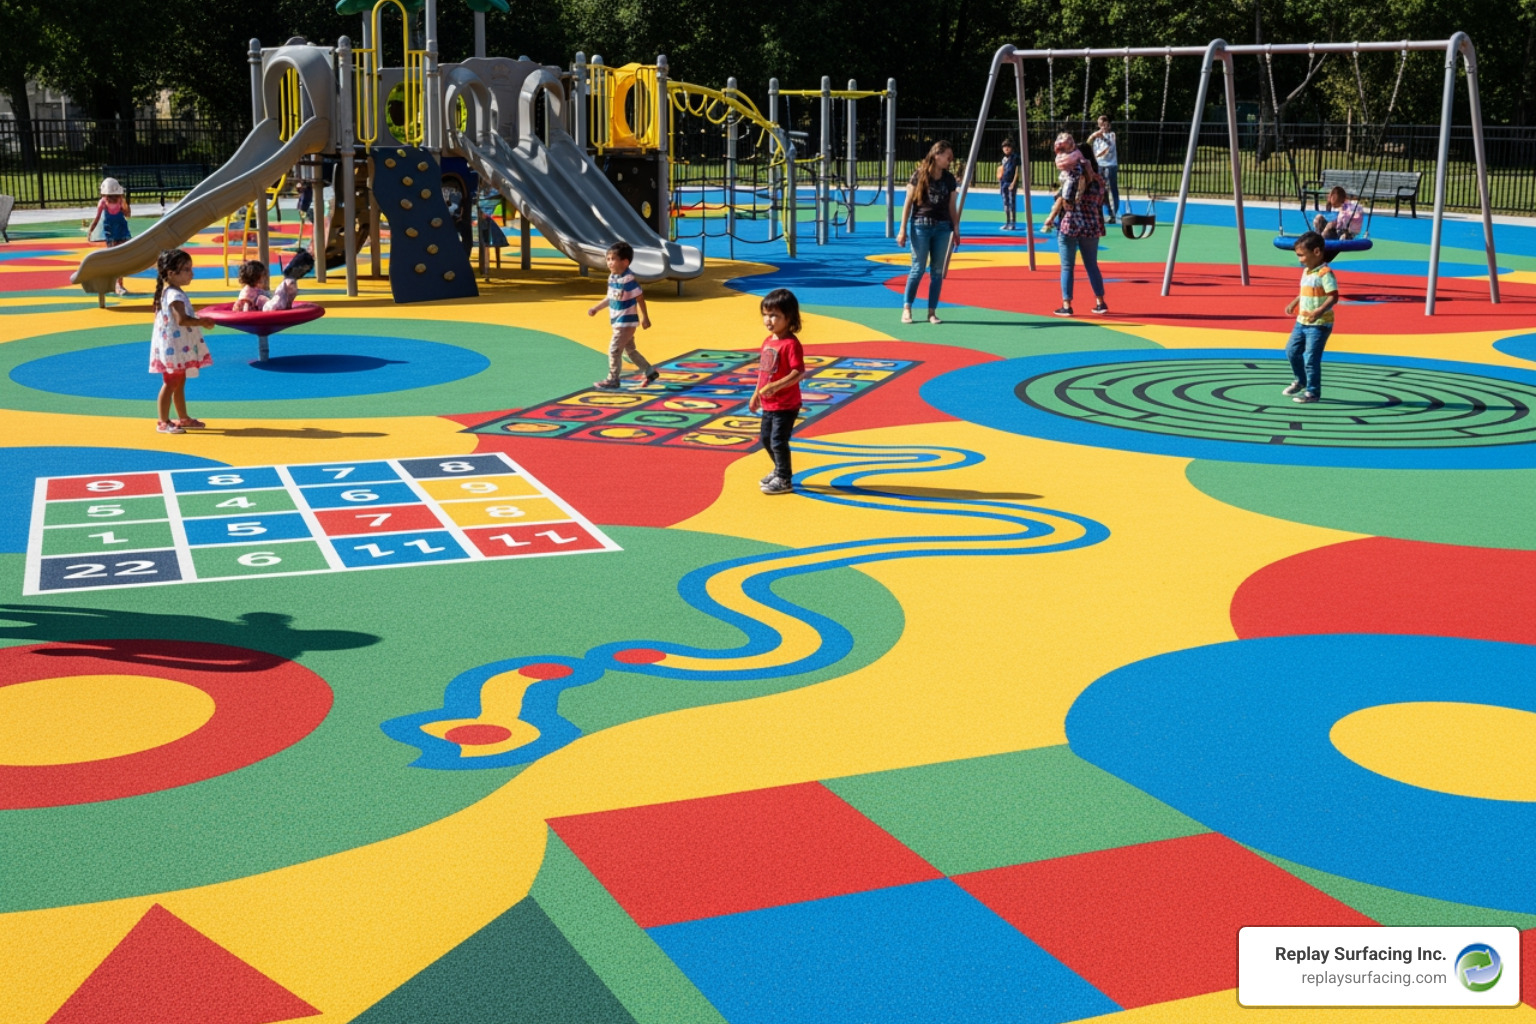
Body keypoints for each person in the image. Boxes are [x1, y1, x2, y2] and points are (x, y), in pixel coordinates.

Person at [149, 248, 216, 434]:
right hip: (174, 346)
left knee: (179, 381)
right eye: (186, 269)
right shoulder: (174, 295)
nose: (191, 273)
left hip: (176, 345)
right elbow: (181, 319)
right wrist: (202, 321)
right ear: (171, 273)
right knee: (171, 382)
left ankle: (183, 417)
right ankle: (162, 421)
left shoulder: (170, 292)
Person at [896, 140, 961, 325]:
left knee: (937, 271)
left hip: (942, 227)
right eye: (947, 157)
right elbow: (908, 203)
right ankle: (907, 308)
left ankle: (932, 311)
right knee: (918, 268)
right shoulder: (919, 175)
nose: (950, 160)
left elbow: (951, 206)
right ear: (936, 155)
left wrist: (956, 228)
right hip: (921, 225)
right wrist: (902, 230)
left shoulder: (949, 179)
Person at [748, 288, 805, 496]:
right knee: (765, 438)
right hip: (769, 404)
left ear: (789, 318)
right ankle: (779, 469)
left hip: (786, 404)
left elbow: (798, 372)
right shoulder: (768, 342)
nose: (768, 320)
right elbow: (763, 373)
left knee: (778, 441)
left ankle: (785, 478)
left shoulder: (791, 344)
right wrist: (756, 394)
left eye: (774, 315)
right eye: (765, 314)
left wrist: (775, 386)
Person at [1042, 143, 1109, 316]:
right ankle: (1100, 301)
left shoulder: (1071, 178)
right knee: (1091, 265)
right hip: (1091, 225)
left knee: (1067, 266)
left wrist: (1052, 216)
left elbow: (1065, 200)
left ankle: (1067, 304)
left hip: (1070, 224)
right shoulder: (1099, 180)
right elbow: (1101, 200)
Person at [588, 241, 657, 389]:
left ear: (625, 262)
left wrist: (645, 317)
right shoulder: (613, 278)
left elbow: (640, 297)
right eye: (608, 259)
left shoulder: (628, 280)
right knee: (630, 350)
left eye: (613, 259)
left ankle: (613, 379)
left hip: (625, 322)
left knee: (614, 350)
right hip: (617, 321)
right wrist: (596, 308)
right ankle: (650, 371)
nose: (610, 262)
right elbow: (610, 298)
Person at [1281, 231, 1338, 404]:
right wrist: (1294, 302)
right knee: (1291, 351)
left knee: (1311, 359)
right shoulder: (1307, 272)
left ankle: (1312, 392)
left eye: (1301, 255)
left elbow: (1333, 296)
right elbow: (1305, 292)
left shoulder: (1325, 273)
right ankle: (1301, 380)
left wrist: (1319, 311)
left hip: (1319, 324)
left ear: (1316, 252)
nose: (1300, 259)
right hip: (1302, 321)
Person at [84, 178, 132, 296]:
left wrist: (125, 204)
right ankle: (116, 283)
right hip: (111, 232)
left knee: (120, 258)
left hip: (120, 230)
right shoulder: (103, 203)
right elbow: (97, 218)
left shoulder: (120, 201)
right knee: (115, 258)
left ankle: (119, 284)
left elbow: (127, 214)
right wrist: (91, 230)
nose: (111, 198)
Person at [1088, 115, 1120, 224]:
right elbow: (1087, 145)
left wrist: (1102, 137)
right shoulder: (1096, 137)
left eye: (1103, 125)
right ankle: (1101, 213)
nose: (1101, 127)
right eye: (1099, 125)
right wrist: (1092, 137)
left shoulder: (1111, 135)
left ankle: (1113, 214)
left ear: (1108, 125)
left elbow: (1109, 148)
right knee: (1100, 189)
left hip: (1110, 165)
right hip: (1099, 165)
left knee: (1111, 188)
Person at [998, 138, 1021, 231]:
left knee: (1012, 203)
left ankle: (1013, 222)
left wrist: (1013, 183)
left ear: (1011, 148)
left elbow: (1017, 171)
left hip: (1011, 182)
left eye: (1008, 147)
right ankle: (1007, 222)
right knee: (1005, 203)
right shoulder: (1003, 159)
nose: (1006, 149)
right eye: (1004, 147)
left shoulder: (1015, 158)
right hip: (1003, 182)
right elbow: (1001, 170)